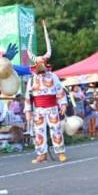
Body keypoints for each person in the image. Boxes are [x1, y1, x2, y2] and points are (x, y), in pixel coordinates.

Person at [24, 21, 69, 163]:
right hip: (38, 109)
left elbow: (60, 91)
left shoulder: (53, 76)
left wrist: (63, 104)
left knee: (56, 129)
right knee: (39, 132)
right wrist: (27, 111)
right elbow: (28, 97)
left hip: (52, 108)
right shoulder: (32, 80)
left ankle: (60, 151)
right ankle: (41, 154)